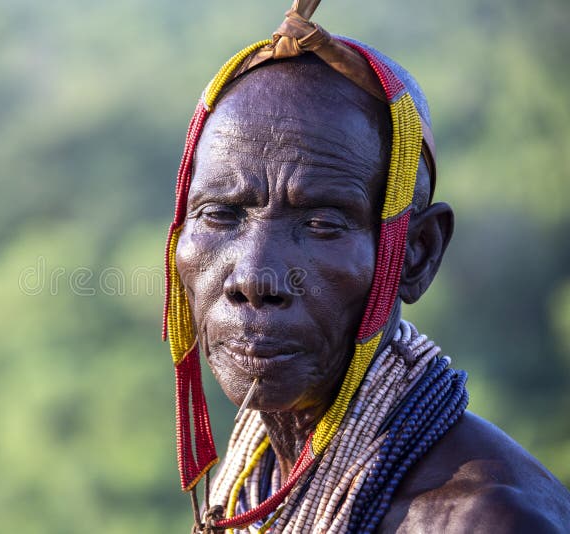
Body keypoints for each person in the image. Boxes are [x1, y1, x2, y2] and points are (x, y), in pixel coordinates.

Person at [161, 1, 570, 532]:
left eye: (323, 224)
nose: (254, 279)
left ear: (416, 253)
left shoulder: (486, 520)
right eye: (219, 214)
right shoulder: (252, 484)